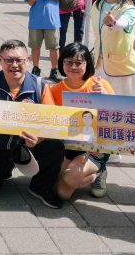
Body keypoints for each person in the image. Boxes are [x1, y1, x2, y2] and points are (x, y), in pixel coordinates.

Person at [0, 40, 65, 208]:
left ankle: (40, 186)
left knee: (55, 146)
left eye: (19, 60)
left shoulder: (39, 85)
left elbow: (51, 122)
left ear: (29, 60)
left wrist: (37, 139)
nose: (14, 65)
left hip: (28, 144)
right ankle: (4, 168)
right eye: (9, 60)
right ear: (0, 60)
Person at [49, 43, 114, 200]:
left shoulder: (99, 85)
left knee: (70, 178)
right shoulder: (54, 90)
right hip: (68, 146)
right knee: (62, 193)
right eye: (68, 61)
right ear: (61, 62)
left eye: (78, 63)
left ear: (87, 64)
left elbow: (118, 118)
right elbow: (50, 121)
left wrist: (105, 97)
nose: (73, 66)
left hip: (94, 147)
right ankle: (74, 171)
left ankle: (99, 172)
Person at [24, 0, 63, 81]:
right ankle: (36, 68)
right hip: (36, 21)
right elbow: (29, 2)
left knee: (54, 47)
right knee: (35, 47)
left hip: (52, 21)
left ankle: (54, 69)